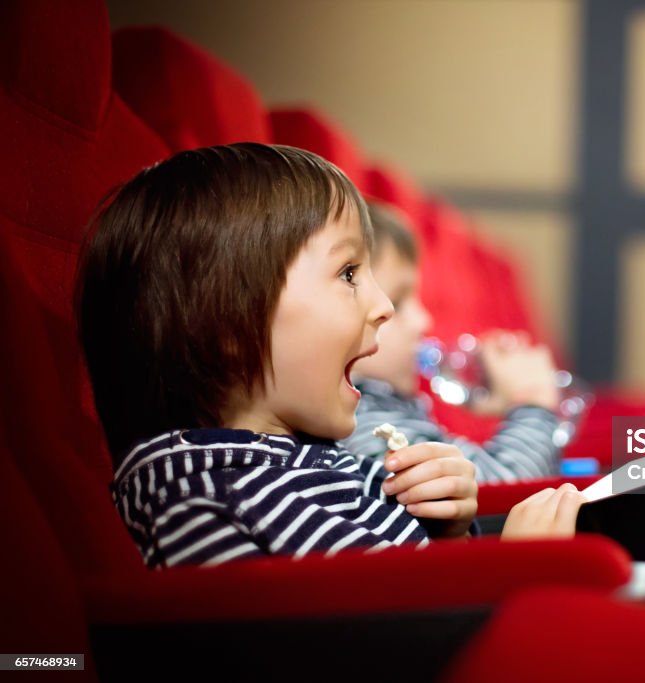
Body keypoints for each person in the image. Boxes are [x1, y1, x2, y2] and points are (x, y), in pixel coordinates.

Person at [76, 143, 585, 568]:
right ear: (230, 325)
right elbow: (350, 639)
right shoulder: (200, 495)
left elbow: (399, 583)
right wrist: (510, 570)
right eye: (348, 275)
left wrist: (449, 534)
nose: (383, 307)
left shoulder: (311, 460)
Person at [342, 202, 563, 482]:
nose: (424, 321)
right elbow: (497, 493)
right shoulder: (367, 425)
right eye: (397, 302)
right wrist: (533, 401)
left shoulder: (386, 410)